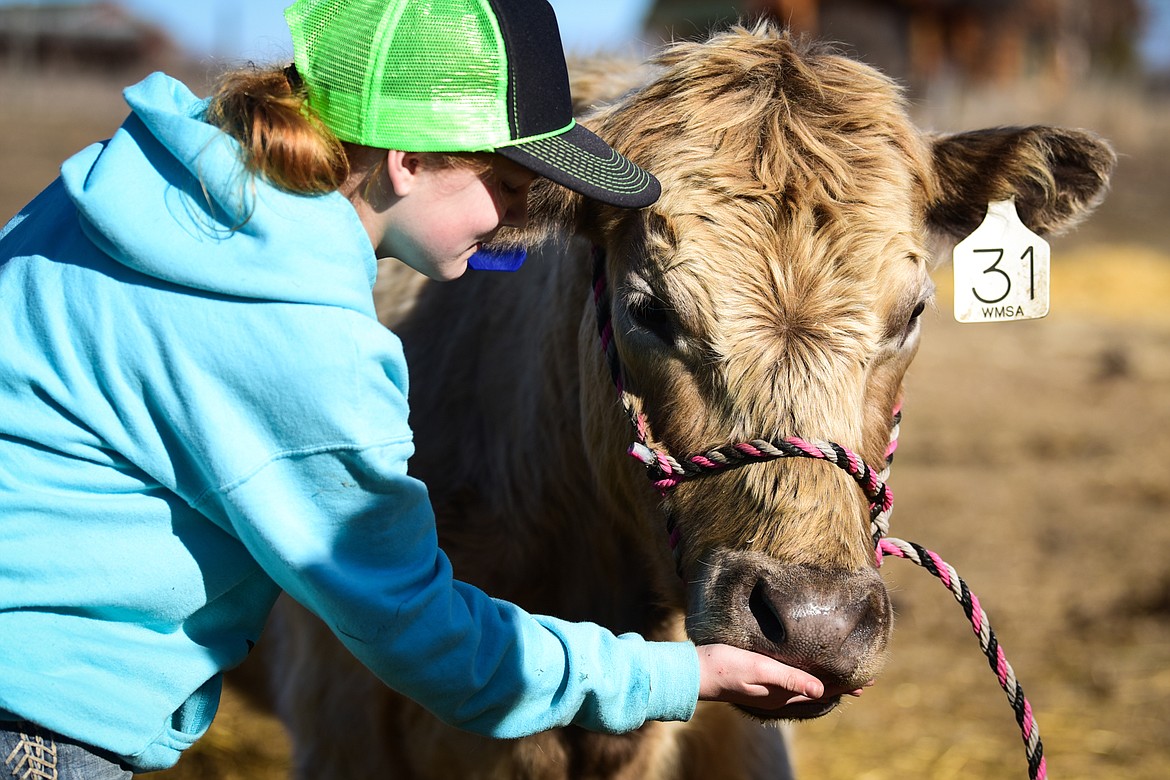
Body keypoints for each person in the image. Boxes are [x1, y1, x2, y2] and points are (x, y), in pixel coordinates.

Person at [0, 1, 851, 776]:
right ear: (406, 160)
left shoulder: (121, 188)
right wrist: (679, 673)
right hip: (44, 722)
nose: (520, 225)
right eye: (513, 189)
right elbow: (418, 633)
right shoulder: (306, 341)